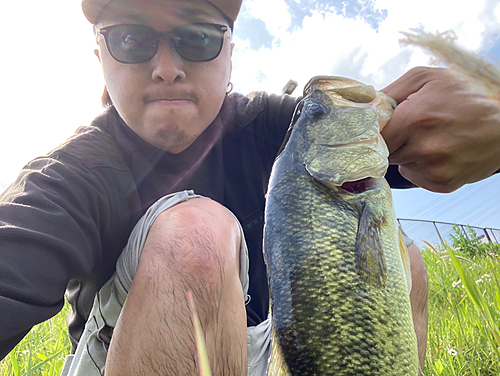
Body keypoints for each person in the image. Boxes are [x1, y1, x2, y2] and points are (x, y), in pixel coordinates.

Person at [0, 0, 499, 374]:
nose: (167, 67)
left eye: (197, 39)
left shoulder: (282, 128)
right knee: (196, 235)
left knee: (399, 252)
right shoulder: (68, 177)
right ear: (101, 56)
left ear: (230, 56)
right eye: (131, 39)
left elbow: (404, 144)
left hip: (262, 350)